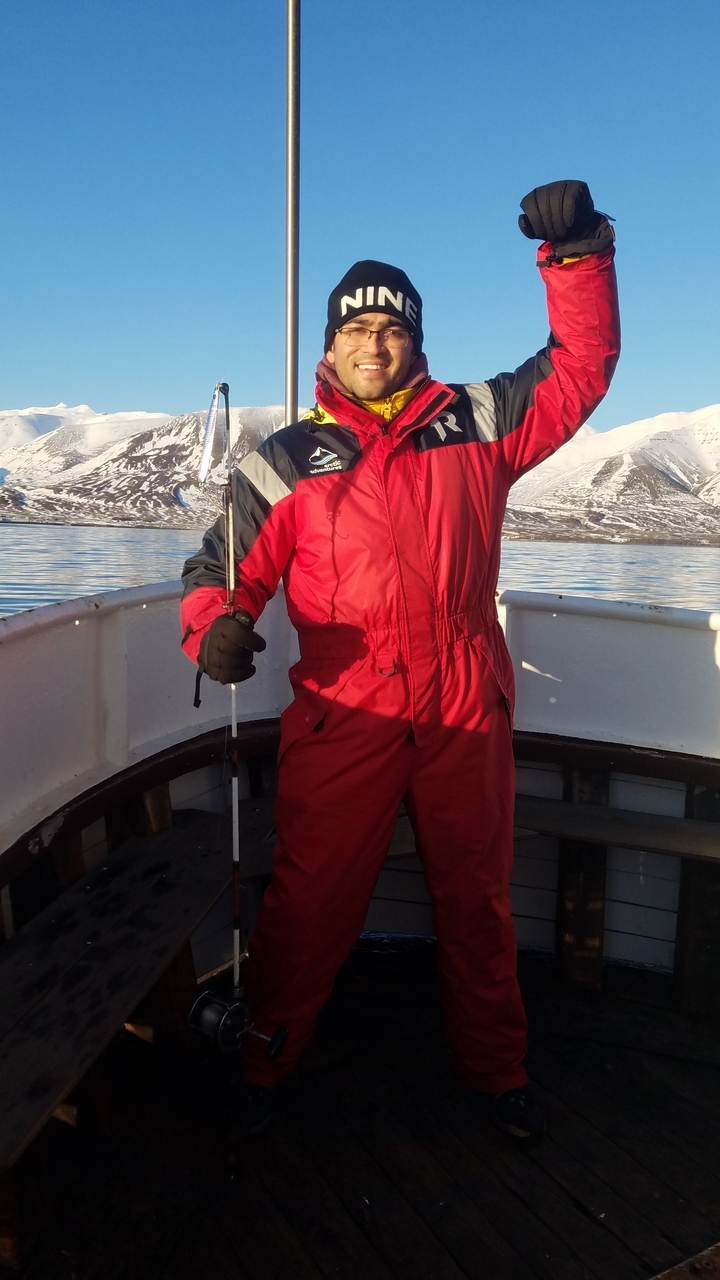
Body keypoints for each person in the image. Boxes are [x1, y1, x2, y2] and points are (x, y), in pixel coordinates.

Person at [180, 180, 620, 1139]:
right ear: (330, 347)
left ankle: (497, 1071)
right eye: (357, 330)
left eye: (393, 330)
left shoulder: (479, 422)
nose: (374, 345)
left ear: (416, 344)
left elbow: (581, 365)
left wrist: (578, 253)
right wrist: (215, 626)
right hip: (347, 707)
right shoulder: (285, 460)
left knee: (477, 897)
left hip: (465, 698)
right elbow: (219, 567)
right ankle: (266, 1066)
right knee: (310, 902)